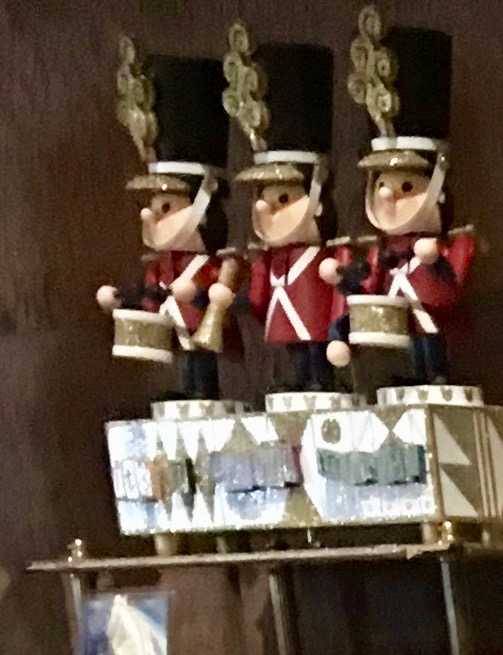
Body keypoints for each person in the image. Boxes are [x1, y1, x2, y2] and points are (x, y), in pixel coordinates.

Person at [101, 46, 241, 405]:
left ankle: (204, 389)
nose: (151, 216)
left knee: (201, 357)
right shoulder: (161, 265)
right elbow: (151, 292)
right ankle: (191, 388)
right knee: (185, 356)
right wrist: (123, 298)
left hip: (198, 319)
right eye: (153, 206)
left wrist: (203, 294)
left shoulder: (210, 265)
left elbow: (224, 292)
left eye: (166, 207)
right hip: (175, 323)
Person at [341, 16, 472, 390]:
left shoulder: (453, 243)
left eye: (407, 185)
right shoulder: (384, 246)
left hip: (432, 306)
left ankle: (437, 373)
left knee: (431, 337)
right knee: (413, 341)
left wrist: (435, 262)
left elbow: (454, 282)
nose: (387, 194)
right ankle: (419, 373)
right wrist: (351, 278)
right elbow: (371, 280)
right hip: (401, 311)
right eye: (381, 183)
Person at [228, 29, 345, 397]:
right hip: (287, 314)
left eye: (283, 198)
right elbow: (259, 293)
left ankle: (320, 378)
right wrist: (243, 298)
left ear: (318, 198)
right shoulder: (270, 258)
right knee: (295, 347)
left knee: (314, 346)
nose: (264, 207)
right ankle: (303, 377)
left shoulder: (326, 255)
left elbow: (341, 292)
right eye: (262, 197)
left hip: (316, 316)